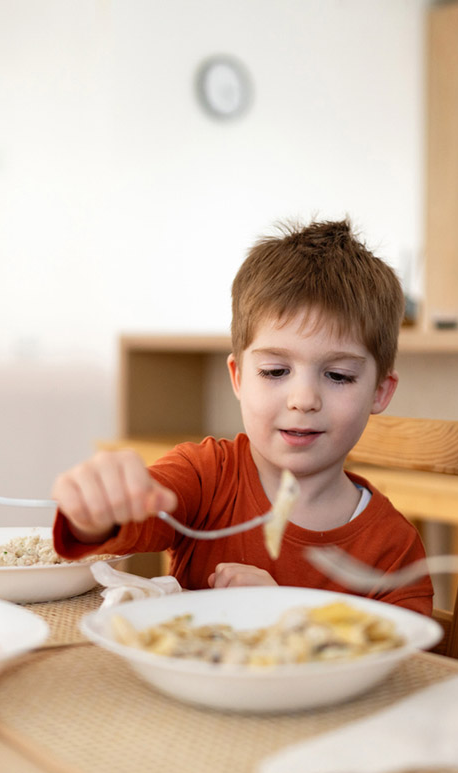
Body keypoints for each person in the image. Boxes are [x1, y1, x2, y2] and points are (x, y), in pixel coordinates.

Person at [51, 219, 434, 615]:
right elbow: (126, 527)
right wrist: (95, 511)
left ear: (380, 391)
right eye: (274, 372)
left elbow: (409, 670)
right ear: (238, 377)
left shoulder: (393, 549)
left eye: (338, 376)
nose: (303, 399)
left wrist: (285, 614)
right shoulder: (205, 476)